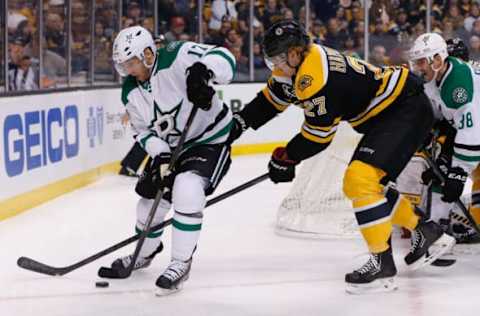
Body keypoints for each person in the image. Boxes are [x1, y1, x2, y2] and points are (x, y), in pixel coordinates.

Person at [228, 20, 455, 294]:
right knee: (360, 185)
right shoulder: (295, 66)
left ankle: (382, 261)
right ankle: (426, 231)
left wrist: (287, 157)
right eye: (271, 59)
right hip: (389, 112)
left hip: (404, 108)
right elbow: (271, 99)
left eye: (279, 58)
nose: (275, 66)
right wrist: (238, 124)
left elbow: (318, 137)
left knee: (360, 180)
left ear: (295, 53)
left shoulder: (316, 77)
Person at [105, 26, 236, 295]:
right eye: (124, 64)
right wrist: (161, 154)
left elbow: (225, 57)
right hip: (172, 148)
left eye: (132, 62)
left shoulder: (177, 54)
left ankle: (180, 263)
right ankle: (144, 253)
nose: (129, 70)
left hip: (209, 140)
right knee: (147, 205)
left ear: (149, 54)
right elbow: (143, 131)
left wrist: (203, 72)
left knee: (187, 188)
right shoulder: (130, 90)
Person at [409, 33, 480, 243]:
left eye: (422, 61)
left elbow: (471, 130)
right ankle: (437, 230)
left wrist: (458, 172)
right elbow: (442, 117)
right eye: (417, 62)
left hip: (475, 131)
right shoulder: (434, 79)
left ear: (438, 59)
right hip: (471, 131)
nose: (418, 67)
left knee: (452, 172)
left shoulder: (458, 81)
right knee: (444, 171)